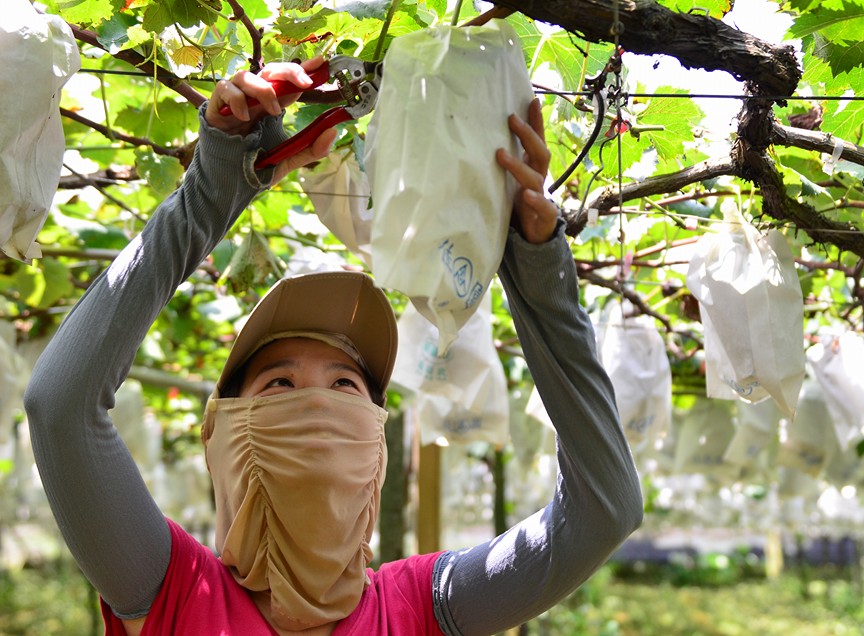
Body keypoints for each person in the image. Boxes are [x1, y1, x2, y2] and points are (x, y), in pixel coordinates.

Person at [24, 51, 644, 636]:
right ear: (220, 435)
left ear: (377, 440)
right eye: (280, 383)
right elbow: (60, 405)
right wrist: (211, 191)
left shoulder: (423, 602)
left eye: (345, 384)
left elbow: (604, 511)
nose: (318, 404)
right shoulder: (174, 588)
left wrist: (531, 263)